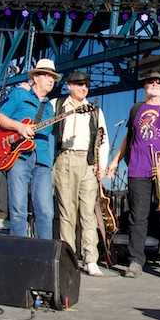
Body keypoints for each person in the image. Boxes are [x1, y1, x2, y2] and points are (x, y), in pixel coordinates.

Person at [106, 70, 160, 280]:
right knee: (137, 217)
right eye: (150, 81)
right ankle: (135, 261)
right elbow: (129, 137)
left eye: (159, 82)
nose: (154, 84)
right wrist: (115, 160)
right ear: (145, 86)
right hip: (138, 169)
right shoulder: (136, 109)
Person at [0, 58, 60, 240]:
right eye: (47, 76)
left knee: (46, 211)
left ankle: (45, 253)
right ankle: (19, 250)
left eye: (53, 77)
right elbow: (0, 118)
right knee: (18, 209)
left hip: (43, 159)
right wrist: (19, 127)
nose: (51, 80)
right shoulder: (19, 94)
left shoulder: (50, 108)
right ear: (36, 77)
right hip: (19, 157)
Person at [52, 71, 109, 276]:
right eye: (78, 84)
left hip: (88, 162)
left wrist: (102, 164)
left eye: (85, 85)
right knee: (67, 211)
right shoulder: (57, 105)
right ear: (69, 86)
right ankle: (68, 258)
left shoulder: (95, 110)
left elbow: (103, 138)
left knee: (88, 212)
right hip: (65, 159)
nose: (83, 88)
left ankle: (90, 258)